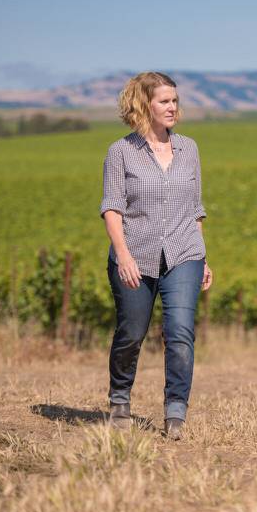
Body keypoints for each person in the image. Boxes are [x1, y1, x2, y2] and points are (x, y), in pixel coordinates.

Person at [99, 71, 213, 440]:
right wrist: (123, 255)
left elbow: (195, 210)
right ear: (143, 104)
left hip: (184, 253)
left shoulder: (189, 149)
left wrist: (204, 257)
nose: (173, 108)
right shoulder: (120, 152)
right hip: (136, 254)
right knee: (132, 332)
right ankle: (120, 398)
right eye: (165, 101)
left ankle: (175, 413)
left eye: (175, 101)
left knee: (179, 332)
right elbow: (112, 208)